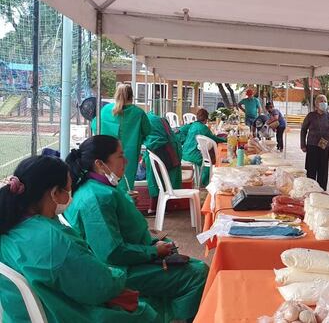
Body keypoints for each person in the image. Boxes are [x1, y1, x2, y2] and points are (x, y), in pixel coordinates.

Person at [64, 135, 208, 321]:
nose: (126, 160)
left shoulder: (99, 189)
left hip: (128, 260)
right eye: (120, 156)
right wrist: (152, 251)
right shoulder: (97, 198)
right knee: (197, 275)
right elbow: (111, 253)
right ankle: (177, 318)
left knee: (190, 265)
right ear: (100, 164)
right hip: (118, 271)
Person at [0, 156, 157, 322]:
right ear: (54, 193)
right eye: (69, 189)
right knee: (144, 312)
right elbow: (101, 287)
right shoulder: (55, 241)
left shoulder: (9, 222)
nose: (71, 194)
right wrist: (115, 274)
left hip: (20, 315)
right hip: (62, 314)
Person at [92, 83, 151, 192]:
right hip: (129, 156)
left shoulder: (105, 110)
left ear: (116, 94)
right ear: (132, 96)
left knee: (107, 182)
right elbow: (148, 131)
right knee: (126, 187)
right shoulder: (138, 113)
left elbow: (95, 126)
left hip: (106, 154)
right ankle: (124, 206)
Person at [143, 111, 183, 214]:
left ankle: (155, 207)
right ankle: (168, 206)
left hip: (164, 150)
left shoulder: (144, 121)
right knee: (166, 180)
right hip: (172, 148)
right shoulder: (156, 119)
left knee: (154, 178)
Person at [178, 108, 226, 186]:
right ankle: (205, 181)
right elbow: (214, 139)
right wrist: (225, 140)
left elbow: (180, 130)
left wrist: (184, 139)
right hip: (193, 156)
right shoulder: (204, 128)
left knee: (207, 154)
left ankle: (201, 180)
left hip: (184, 153)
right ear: (206, 119)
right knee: (209, 159)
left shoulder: (192, 125)